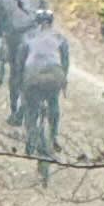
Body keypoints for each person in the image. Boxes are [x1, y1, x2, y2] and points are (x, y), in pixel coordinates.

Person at [16, 9, 72, 150]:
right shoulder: (60, 37)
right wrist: (64, 77)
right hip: (54, 74)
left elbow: (20, 60)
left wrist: (20, 79)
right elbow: (65, 59)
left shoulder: (28, 36)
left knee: (31, 108)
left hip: (33, 75)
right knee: (53, 102)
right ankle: (53, 137)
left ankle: (30, 138)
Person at [1, 0, 51, 122]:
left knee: (16, 75)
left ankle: (14, 111)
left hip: (16, 40)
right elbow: (47, 17)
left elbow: (2, 20)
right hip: (36, 38)